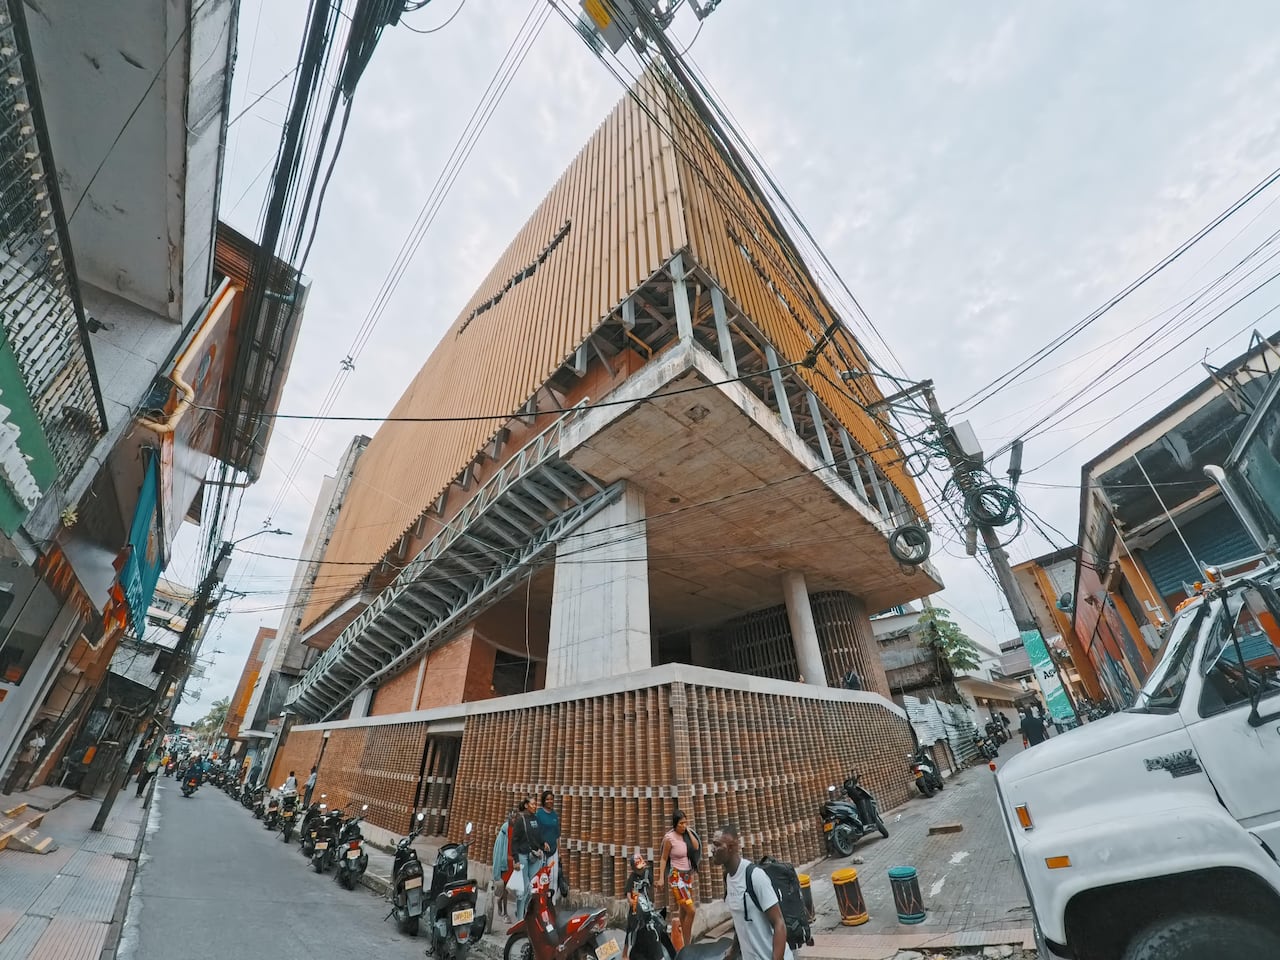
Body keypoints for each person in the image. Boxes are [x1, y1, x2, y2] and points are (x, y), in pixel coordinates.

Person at [711, 824, 792, 960]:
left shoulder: (755, 876)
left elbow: (779, 923)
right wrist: (733, 952)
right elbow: (741, 922)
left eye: (717, 845)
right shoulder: (729, 877)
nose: (712, 850)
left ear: (731, 848)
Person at [657, 810, 699, 948]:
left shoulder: (686, 835)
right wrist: (661, 878)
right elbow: (663, 859)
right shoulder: (670, 838)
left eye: (685, 823)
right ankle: (687, 943)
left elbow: (696, 846)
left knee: (683, 909)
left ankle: (682, 941)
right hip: (676, 877)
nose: (683, 826)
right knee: (691, 910)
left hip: (687, 876)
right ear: (675, 824)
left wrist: (689, 831)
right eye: (681, 823)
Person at [511, 796, 544, 918]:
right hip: (523, 855)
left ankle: (524, 910)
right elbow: (514, 841)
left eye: (536, 804)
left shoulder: (536, 819)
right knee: (523, 889)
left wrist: (542, 844)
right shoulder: (521, 821)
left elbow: (538, 837)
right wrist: (516, 859)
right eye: (532, 804)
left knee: (532, 888)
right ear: (526, 805)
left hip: (535, 857)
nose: (535, 806)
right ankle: (520, 918)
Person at [621, 852, 652, 960]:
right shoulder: (632, 877)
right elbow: (628, 891)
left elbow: (652, 887)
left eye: (641, 867)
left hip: (646, 906)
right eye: (638, 869)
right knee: (631, 930)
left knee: (647, 929)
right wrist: (630, 900)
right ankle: (625, 954)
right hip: (635, 908)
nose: (640, 870)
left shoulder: (648, 873)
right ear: (634, 869)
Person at [3, 724, 46, 795]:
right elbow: (24, 741)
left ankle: (10, 790)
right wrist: (27, 747)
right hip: (27, 754)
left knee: (20, 774)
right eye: (46, 726)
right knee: (16, 773)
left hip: (33, 755)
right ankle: (6, 790)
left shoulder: (43, 736)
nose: (47, 728)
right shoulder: (34, 733)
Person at [535, 790, 561, 897]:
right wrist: (542, 843)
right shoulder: (539, 814)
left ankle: (552, 902)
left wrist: (559, 851)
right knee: (542, 876)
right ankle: (540, 899)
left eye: (551, 799)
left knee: (553, 877)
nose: (550, 801)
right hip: (542, 851)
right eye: (547, 799)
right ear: (544, 801)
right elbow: (536, 831)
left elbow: (557, 835)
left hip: (553, 850)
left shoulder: (554, 815)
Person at [492, 809, 516, 921]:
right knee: (505, 888)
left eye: (516, 818)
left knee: (509, 888)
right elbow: (499, 850)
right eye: (512, 817)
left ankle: (499, 900)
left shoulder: (517, 829)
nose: (514, 819)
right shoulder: (504, 831)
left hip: (514, 863)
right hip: (505, 863)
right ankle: (505, 913)